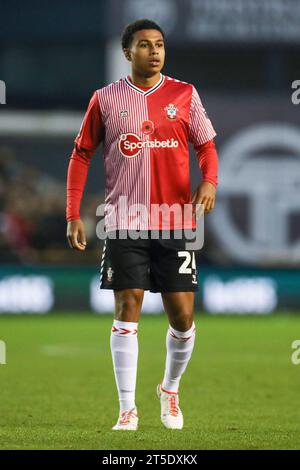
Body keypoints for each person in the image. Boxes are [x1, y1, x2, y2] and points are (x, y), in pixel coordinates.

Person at [66, 19, 218, 431]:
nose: (154, 51)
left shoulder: (184, 95)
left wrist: (209, 180)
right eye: (145, 45)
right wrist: (72, 213)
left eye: (160, 45)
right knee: (127, 303)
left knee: (182, 318)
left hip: (175, 222)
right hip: (124, 221)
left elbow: (205, 144)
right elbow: (81, 155)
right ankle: (127, 409)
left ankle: (169, 389)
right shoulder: (105, 99)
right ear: (127, 53)